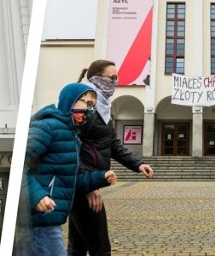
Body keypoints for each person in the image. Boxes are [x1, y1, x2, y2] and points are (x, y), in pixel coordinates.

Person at [67, 60, 154, 256]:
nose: (114, 82)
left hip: (86, 183)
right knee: (100, 248)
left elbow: (112, 144)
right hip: (83, 184)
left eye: (116, 78)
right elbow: (71, 148)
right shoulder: (84, 109)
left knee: (78, 247)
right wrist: (88, 185)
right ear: (96, 78)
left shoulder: (102, 108)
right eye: (111, 78)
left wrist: (138, 164)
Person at [21, 82, 117, 256]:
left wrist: (100, 177)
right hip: (40, 221)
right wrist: (37, 195)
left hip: (50, 218)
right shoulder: (48, 127)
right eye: (87, 104)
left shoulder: (73, 136)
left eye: (92, 106)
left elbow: (69, 179)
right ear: (70, 101)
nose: (90, 110)